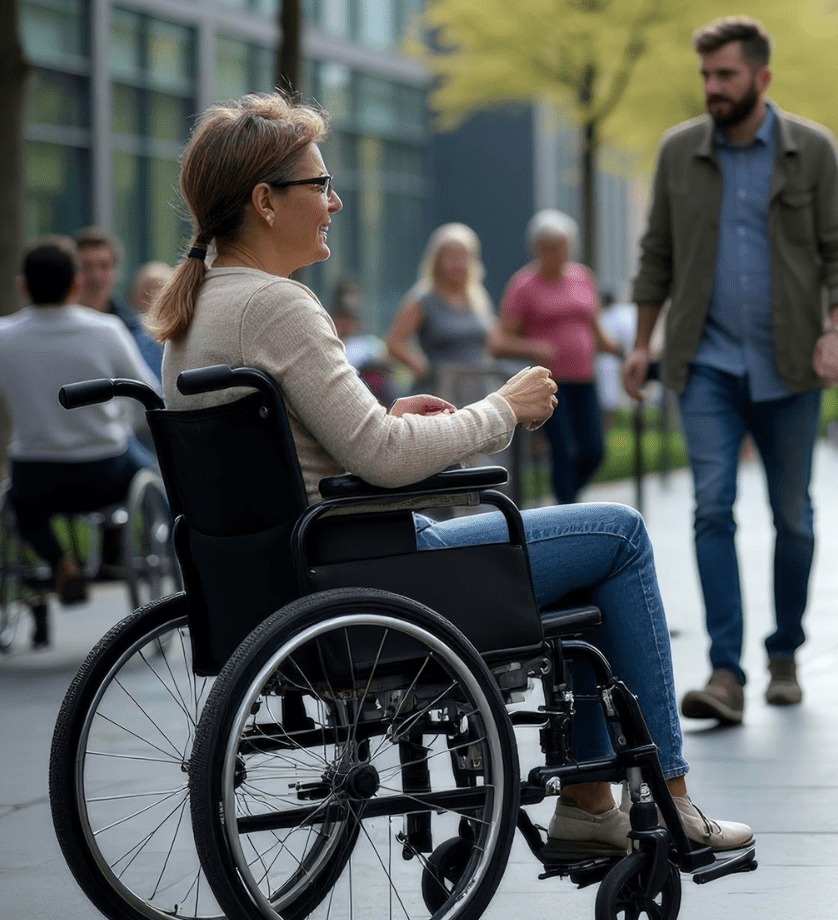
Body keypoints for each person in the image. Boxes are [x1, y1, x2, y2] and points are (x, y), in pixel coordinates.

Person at [151, 93, 750, 856]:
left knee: (575, 557)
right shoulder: (279, 306)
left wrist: (391, 416)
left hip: (282, 582)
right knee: (618, 535)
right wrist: (502, 407)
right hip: (370, 577)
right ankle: (664, 797)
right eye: (320, 185)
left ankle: (595, 800)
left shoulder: (194, 313)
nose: (334, 202)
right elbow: (387, 460)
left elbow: (312, 453)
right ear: (266, 202)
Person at [623, 16, 838, 720]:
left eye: (725, 75)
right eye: (706, 76)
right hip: (706, 362)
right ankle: (725, 672)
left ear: (762, 78)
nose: (713, 88)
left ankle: (784, 650)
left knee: (793, 518)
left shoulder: (811, 151)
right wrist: (643, 342)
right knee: (712, 507)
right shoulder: (679, 153)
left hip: (791, 364)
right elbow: (656, 255)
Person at [0, 235, 159, 609]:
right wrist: (121, 421)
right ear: (76, 283)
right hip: (105, 470)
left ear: (23, 286)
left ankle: (60, 562)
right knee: (155, 478)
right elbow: (147, 396)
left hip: (35, 475)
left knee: (22, 509)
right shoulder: (107, 331)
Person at [492, 210, 621, 505]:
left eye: (560, 245)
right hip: (548, 385)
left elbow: (595, 328)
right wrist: (533, 347)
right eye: (548, 246)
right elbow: (499, 341)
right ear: (536, 248)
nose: (555, 252)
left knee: (594, 451)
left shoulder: (583, 277)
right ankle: (566, 511)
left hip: (585, 379)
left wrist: (623, 348)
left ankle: (567, 502)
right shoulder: (524, 284)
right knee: (565, 452)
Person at [386, 223, 497, 400]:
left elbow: (492, 342)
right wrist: (422, 367)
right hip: (439, 393)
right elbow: (395, 342)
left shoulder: (478, 297)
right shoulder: (422, 299)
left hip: (478, 391)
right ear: (437, 260)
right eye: (452, 257)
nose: (458, 264)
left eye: (464, 257)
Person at [73, 228, 165, 379]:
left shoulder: (138, 334)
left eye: (104, 266)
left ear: (116, 272)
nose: (95, 276)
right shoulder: (53, 330)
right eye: (86, 266)